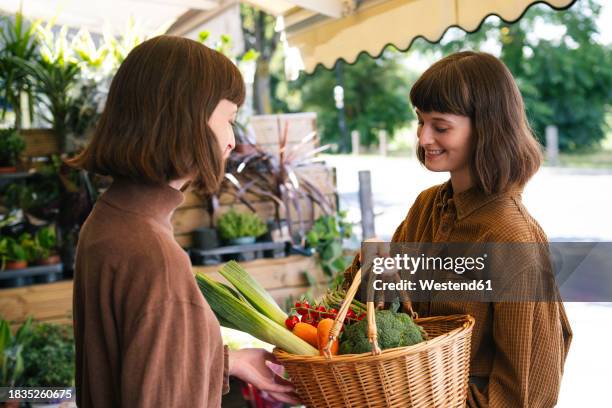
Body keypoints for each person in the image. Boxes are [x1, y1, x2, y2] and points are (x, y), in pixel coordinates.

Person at [67, 35, 298, 407]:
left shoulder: (109, 221)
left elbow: (140, 363)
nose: (231, 142)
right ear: (185, 118)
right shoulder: (153, 255)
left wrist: (229, 362)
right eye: (229, 120)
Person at [343, 51, 572, 407]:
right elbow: (385, 315)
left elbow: (527, 393)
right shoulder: (426, 206)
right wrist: (370, 268)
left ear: (487, 128)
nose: (423, 138)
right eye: (420, 122)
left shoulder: (513, 238)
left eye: (441, 126)